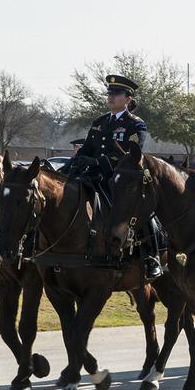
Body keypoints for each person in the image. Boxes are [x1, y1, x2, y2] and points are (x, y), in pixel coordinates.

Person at [67, 75, 162, 279]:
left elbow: (130, 155)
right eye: (109, 93)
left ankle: (151, 256)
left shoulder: (136, 125)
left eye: (116, 94)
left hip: (121, 179)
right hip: (94, 177)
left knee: (139, 209)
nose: (111, 97)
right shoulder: (100, 122)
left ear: (128, 99)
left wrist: (98, 162)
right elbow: (89, 148)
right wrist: (77, 161)